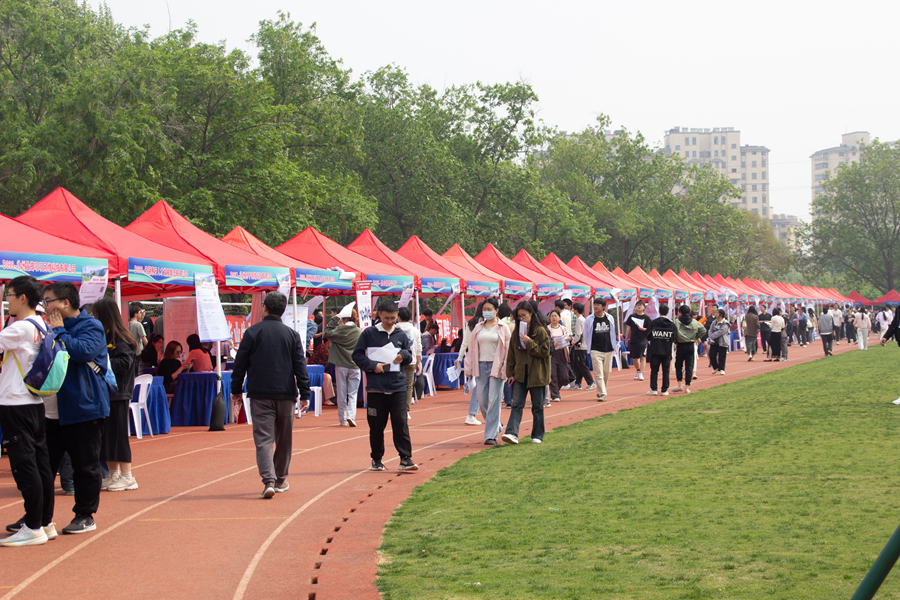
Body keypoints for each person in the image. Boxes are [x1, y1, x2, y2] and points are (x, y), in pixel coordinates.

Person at [43, 282, 109, 534]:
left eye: (48, 301)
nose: (45, 307)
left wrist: (59, 331)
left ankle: (85, 515)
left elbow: (82, 352)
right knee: (43, 467)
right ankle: (39, 517)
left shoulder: (91, 325)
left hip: (84, 406)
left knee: (85, 465)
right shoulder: (47, 327)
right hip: (51, 408)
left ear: (65, 303)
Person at [230, 291, 310, 499]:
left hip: (260, 393)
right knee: (284, 438)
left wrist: (236, 389)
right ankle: (280, 478)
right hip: (286, 394)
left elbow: (239, 364)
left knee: (264, 439)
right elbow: (300, 366)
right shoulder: (292, 335)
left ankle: (269, 480)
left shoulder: (252, 332)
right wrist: (305, 393)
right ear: (283, 311)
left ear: (264, 307)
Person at [0, 276, 56, 546]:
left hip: (15, 403)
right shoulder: (41, 325)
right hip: (34, 402)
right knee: (41, 464)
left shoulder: (20, 327)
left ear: (23, 298)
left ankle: (33, 526)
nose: (7, 301)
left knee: (24, 466)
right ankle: (44, 521)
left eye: (9, 295)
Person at [352, 301, 416, 471]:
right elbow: (357, 355)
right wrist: (373, 366)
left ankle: (405, 458)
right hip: (376, 387)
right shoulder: (368, 333)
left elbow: (409, 354)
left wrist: (403, 355)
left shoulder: (400, 334)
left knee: (401, 423)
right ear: (379, 314)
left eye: (393, 318)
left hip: (398, 386)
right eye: (386, 318)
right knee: (376, 425)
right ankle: (377, 459)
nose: (389, 321)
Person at [93, 298, 139, 493]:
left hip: (119, 393)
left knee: (119, 435)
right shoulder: (105, 336)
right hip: (106, 394)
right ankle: (113, 473)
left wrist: (101, 361)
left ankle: (127, 476)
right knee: (108, 436)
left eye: (96, 314)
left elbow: (124, 364)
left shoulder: (122, 338)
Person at [501, 301, 551, 445]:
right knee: (516, 404)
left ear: (531, 314)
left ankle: (538, 435)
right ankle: (511, 433)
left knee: (537, 406)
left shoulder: (540, 331)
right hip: (520, 374)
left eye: (524, 315)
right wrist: (510, 372)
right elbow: (511, 353)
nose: (521, 318)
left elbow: (544, 352)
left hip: (537, 374)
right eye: (519, 316)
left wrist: (529, 342)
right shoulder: (516, 332)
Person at [463, 297, 510, 445]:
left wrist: (506, 369)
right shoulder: (478, 328)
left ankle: (491, 436)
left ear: (496, 311)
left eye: (489, 309)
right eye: (484, 309)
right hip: (480, 366)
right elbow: (472, 349)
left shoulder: (503, 328)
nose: (486, 312)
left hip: (497, 366)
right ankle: (496, 426)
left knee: (493, 400)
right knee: (481, 399)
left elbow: (508, 350)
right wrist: (469, 368)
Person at [325, 304, 362, 427]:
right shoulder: (358, 331)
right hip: (355, 365)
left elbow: (326, 332)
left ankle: (343, 419)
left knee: (341, 392)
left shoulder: (339, 330)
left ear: (344, 318)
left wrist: (335, 318)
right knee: (353, 393)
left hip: (341, 365)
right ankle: (351, 416)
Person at [584, 298, 617, 402]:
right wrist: (590, 346)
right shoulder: (589, 319)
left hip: (608, 349)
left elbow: (612, 332)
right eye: (594, 304)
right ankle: (603, 393)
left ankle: (601, 391)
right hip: (595, 350)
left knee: (606, 372)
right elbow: (586, 334)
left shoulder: (609, 318)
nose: (596, 306)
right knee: (598, 373)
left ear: (603, 307)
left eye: (598, 305)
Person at [672, 305, 705, 394]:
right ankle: (687, 387)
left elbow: (673, 333)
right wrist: (695, 337)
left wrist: (675, 341)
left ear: (680, 312)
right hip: (690, 345)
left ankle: (679, 385)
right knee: (689, 366)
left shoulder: (677, 321)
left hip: (680, 345)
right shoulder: (694, 321)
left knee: (678, 365)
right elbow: (703, 330)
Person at [395, 307, 422, 417]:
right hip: (411, 360)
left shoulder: (394, 329)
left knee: (396, 385)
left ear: (399, 317)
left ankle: (397, 408)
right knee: (409, 386)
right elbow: (419, 348)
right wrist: (418, 362)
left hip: (396, 361)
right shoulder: (415, 330)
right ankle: (405, 410)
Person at [646, 302, 675, 396]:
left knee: (654, 370)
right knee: (666, 371)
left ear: (659, 311)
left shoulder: (653, 323)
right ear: (668, 312)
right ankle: (664, 390)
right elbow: (675, 337)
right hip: (667, 351)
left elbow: (647, 336)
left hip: (655, 350)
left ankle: (654, 389)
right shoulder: (671, 324)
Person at [569, 302, 595, 391]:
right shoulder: (581, 319)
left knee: (581, 365)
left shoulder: (580, 320)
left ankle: (591, 382)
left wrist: (572, 342)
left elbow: (579, 334)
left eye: (573, 309)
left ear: (576, 310)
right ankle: (578, 383)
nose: (573, 310)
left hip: (581, 346)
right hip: (580, 346)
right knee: (577, 365)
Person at [546, 309, 570, 402]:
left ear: (559, 317)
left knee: (564, 375)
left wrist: (569, 339)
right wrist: (552, 344)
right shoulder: (547, 329)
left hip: (562, 353)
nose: (553, 318)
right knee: (552, 374)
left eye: (555, 316)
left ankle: (555, 389)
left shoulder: (563, 328)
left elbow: (568, 337)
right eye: (552, 316)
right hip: (552, 353)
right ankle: (555, 394)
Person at [624, 301, 651, 381]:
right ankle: (638, 370)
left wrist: (643, 329)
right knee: (634, 357)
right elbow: (628, 328)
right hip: (633, 339)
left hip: (643, 339)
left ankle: (641, 373)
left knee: (643, 356)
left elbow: (650, 329)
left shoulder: (646, 318)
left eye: (640, 305)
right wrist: (626, 338)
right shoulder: (632, 316)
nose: (639, 306)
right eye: (637, 305)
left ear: (644, 307)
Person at [707, 309, 730, 375]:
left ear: (721, 315)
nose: (716, 314)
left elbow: (721, 332)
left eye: (717, 313)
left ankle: (722, 369)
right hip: (714, 342)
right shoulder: (714, 322)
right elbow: (710, 330)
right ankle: (715, 367)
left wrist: (712, 336)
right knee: (712, 355)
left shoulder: (725, 323)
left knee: (722, 356)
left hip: (722, 342)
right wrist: (710, 336)